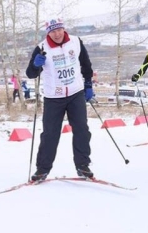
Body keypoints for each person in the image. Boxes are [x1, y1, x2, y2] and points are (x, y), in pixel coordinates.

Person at [26, 18, 94, 182]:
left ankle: (82, 166)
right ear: (48, 32)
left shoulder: (76, 42)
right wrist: (36, 65)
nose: (57, 34)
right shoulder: (42, 48)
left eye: (59, 30)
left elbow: (86, 64)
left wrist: (88, 84)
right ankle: (42, 169)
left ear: (63, 29)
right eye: (53, 31)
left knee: (82, 130)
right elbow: (30, 74)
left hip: (75, 93)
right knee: (50, 134)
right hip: (53, 97)